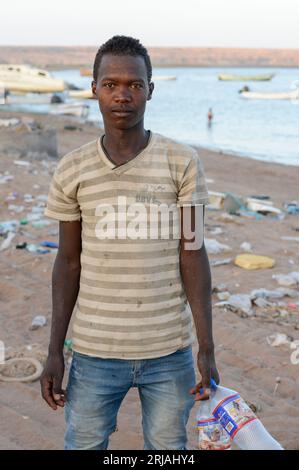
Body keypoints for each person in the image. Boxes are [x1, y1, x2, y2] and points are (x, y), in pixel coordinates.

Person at [40, 35, 219, 450]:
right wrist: (54, 352)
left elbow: (193, 252)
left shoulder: (182, 162)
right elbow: (67, 263)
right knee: (84, 443)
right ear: (95, 90)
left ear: (150, 91)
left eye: (135, 85)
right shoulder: (73, 169)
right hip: (94, 352)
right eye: (112, 84)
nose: (123, 95)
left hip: (169, 352)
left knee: (168, 448)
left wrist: (206, 348)